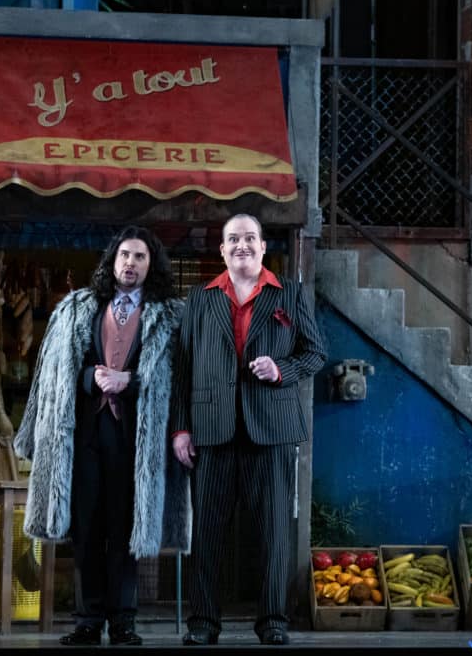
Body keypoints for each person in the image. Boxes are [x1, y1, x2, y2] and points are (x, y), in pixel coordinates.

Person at [13, 225, 192, 647]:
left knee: (125, 529)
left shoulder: (171, 316)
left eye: (140, 257)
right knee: (87, 529)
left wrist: (131, 381)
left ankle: (123, 621)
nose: (131, 263)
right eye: (125, 255)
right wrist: (90, 378)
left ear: (151, 265)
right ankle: (87, 621)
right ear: (113, 261)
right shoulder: (78, 308)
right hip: (85, 436)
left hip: (137, 439)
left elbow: (179, 378)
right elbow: (53, 372)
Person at [170, 213, 326, 646]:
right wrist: (180, 429)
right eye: (234, 239)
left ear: (263, 247)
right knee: (208, 532)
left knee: (274, 532)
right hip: (212, 429)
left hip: (271, 430)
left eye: (250, 238)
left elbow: (316, 353)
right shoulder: (200, 298)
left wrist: (281, 369)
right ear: (222, 250)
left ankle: (273, 621)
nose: (242, 245)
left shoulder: (288, 293)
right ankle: (203, 623)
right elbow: (183, 368)